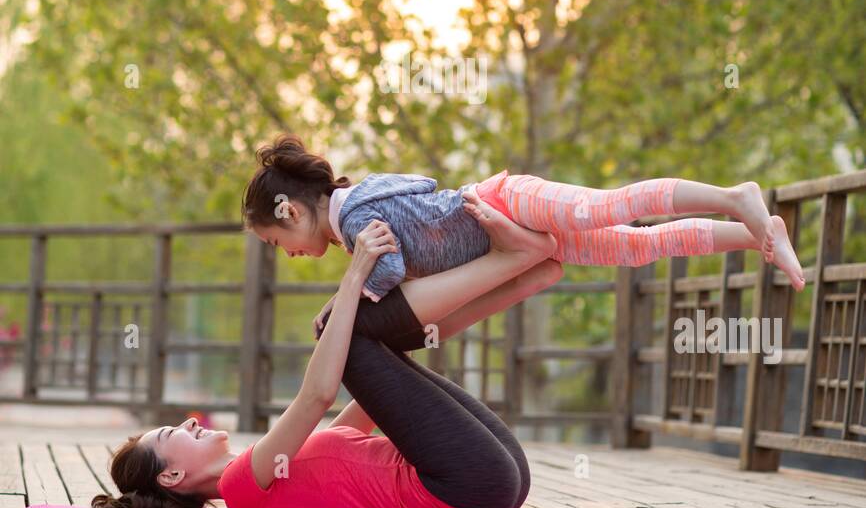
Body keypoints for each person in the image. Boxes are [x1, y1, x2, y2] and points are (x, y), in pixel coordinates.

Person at [91, 200, 561, 508]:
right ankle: (512, 262)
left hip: (495, 481)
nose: (190, 421)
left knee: (368, 341)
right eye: (174, 434)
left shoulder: (276, 463)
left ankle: (528, 275)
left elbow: (382, 380)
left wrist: (358, 312)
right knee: (347, 335)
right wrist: (354, 277)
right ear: (171, 477)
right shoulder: (240, 488)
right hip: (468, 487)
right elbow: (317, 394)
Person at [241, 135, 805, 340]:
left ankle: (736, 196)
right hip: (506, 237)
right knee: (635, 247)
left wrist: (342, 300)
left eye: (275, 241)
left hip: (507, 202)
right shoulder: (355, 216)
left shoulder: (355, 212)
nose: (286, 253)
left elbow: (387, 274)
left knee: (606, 206)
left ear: (288, 210)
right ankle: (754, 234)